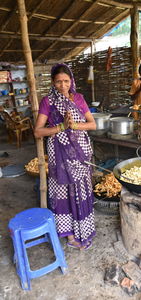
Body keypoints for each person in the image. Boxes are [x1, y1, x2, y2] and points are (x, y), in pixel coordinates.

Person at [34, 63, 96, 250]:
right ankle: (69, 235)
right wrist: (61, 127)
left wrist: (74, 126)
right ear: (53, 82)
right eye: (59, 82)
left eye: (66, 81)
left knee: (81, 189)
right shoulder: (48, 101)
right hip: (59, 154)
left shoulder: (78, 98)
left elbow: (92, 124)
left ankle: (83, 229)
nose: (63, 85)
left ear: (72, 81)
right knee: (62, 191)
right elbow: (38, 131)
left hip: (80, 152)